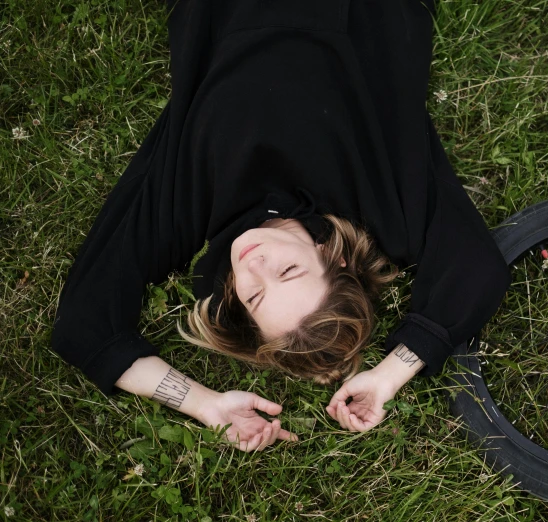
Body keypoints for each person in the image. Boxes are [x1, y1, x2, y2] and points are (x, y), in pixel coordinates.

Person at [51, 0, 511, 452]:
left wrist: (205, 404)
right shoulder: (386, 201)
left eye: (252, 295)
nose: (255, 265)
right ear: (333, 254)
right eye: (289, 271)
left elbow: (85, 325)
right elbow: (476, 269)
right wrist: (387, 377)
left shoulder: (186, 207)